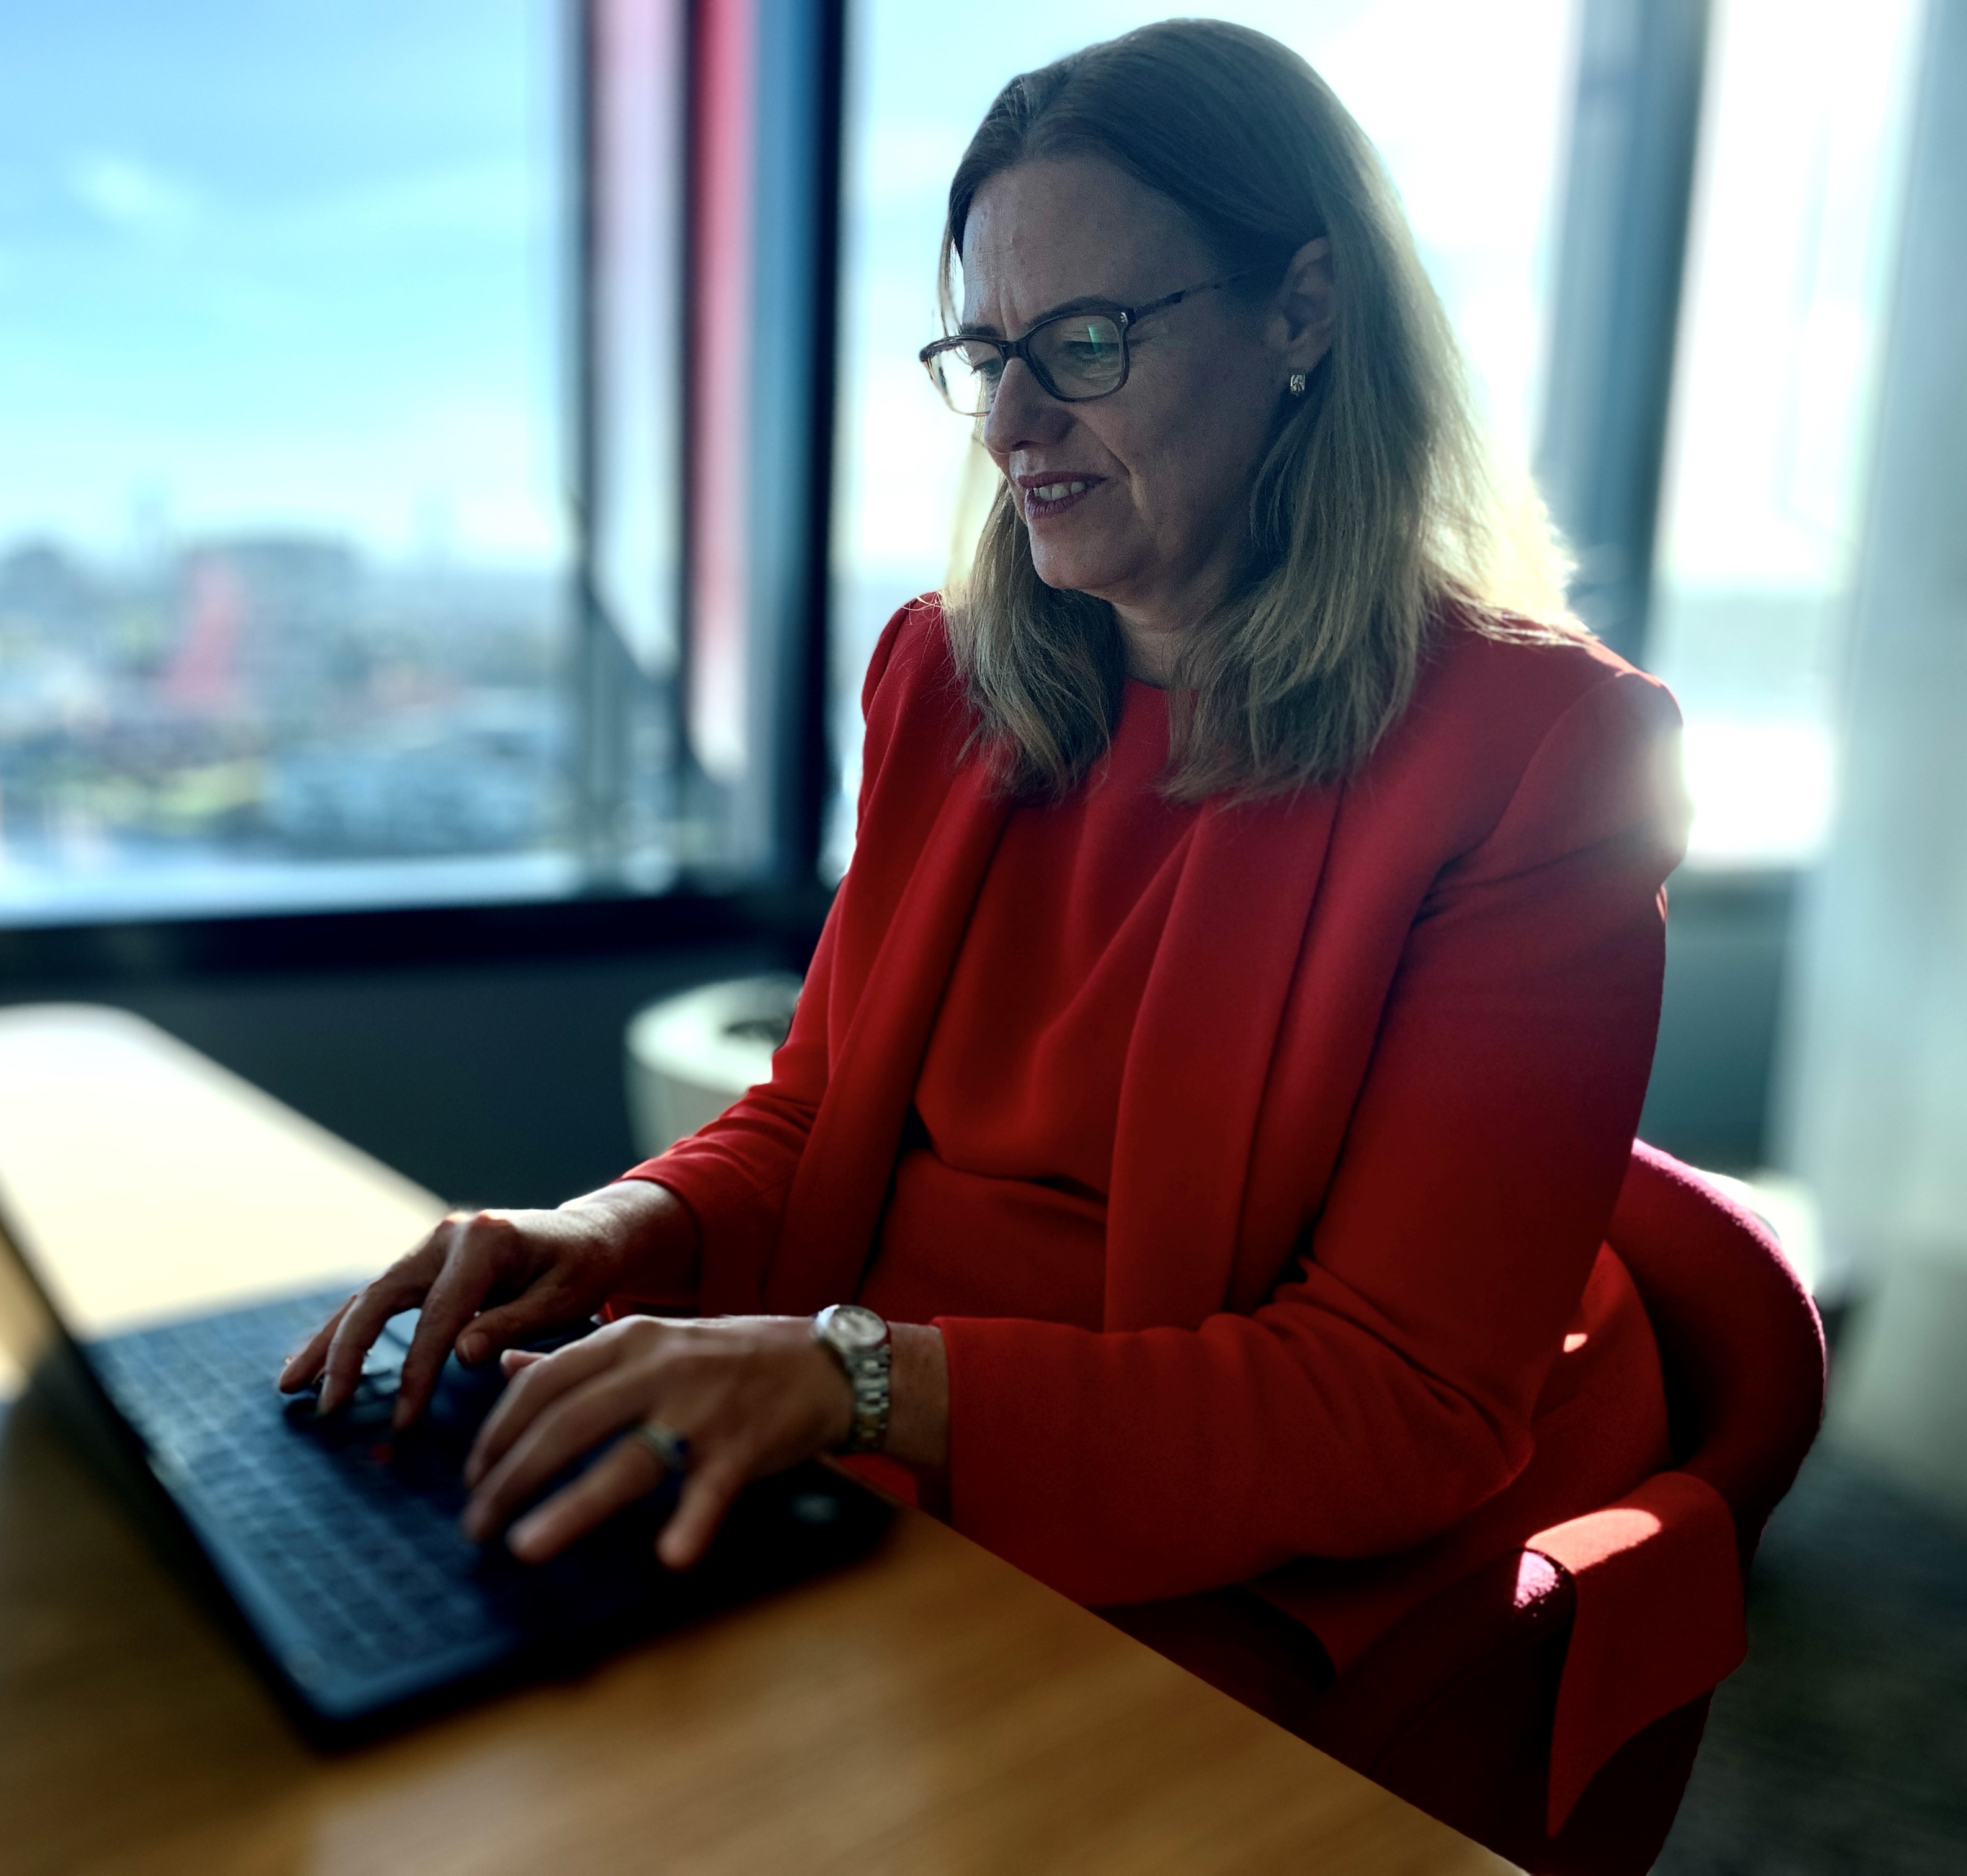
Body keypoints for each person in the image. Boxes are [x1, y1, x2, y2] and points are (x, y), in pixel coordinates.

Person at [278, 19, 1693, 1725]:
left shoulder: (1544, 751)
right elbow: (812, 1117)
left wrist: (850, 1380)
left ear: (1304, 313)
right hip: (847, 1457)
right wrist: (604, 1233)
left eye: (1083, 344)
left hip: (1203, 1562)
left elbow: (1400, 1405)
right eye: (985, 349)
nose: (1010, 420)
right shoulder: (942, 681)